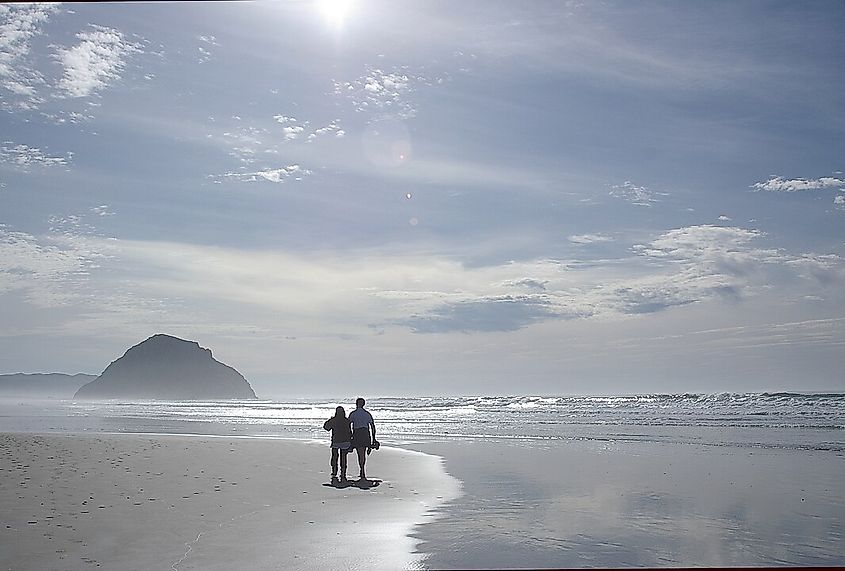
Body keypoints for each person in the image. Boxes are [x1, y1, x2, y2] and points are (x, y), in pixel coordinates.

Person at [348, 397, 376, 481]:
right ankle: (362, 469)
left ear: (356, 404)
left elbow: (348, 425)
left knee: (359, 453)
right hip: (365, 433)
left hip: (357, 433)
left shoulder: (353, 414)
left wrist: (350, 436)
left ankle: (362, 470)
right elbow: (372, 427)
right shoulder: (367, 414)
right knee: (362, 453)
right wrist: (373, 439)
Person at [323, 405, 352, 483]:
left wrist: (330, 419)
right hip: (345, 441)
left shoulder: (334, 420)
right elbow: (350, 431)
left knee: (334, 457)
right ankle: (343, 473)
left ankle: (334, 472)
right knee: (343, 458)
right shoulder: (347, 421)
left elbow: (326, 427)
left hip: (336, 441)